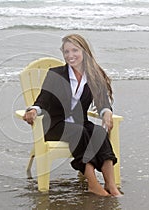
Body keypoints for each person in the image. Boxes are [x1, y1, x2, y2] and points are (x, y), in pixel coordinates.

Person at [23, 34, 122, 197]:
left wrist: (106, 113)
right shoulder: (55, 73)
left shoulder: (93, 76)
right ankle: (93, 183)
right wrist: (33, 110)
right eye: (66, 51)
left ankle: (111, 185)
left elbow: (103, 102)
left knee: (99, 132)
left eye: (74, 50)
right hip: (55, 125)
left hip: (80, 122)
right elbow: (43, 100)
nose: (70, 55)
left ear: (84, 51)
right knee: (79, 132)